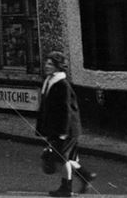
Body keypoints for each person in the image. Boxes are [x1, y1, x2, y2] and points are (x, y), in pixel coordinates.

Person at [36, 51, 96, 196]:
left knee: (60, 158)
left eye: (50, 64)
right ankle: (85, 175)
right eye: (46, 63)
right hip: (58, 128)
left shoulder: (62, 85)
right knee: (65, 158)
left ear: (58, 67)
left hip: (66, 129)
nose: (46, 66)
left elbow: (66, 111)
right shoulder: (50, 81)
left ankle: (66, 189)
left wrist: (62, 132)